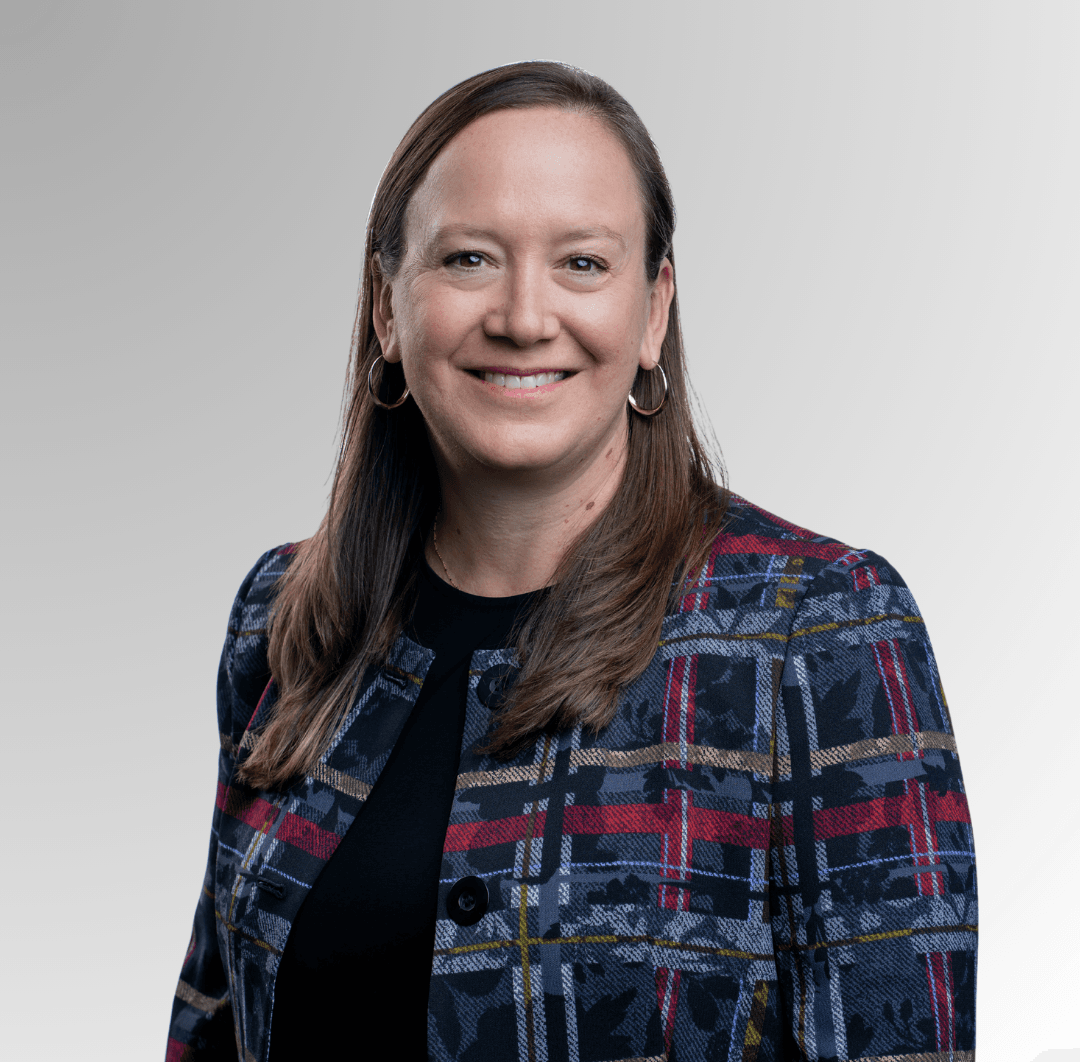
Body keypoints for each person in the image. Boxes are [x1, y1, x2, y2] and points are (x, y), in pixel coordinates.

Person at [166, 62, 976, 1062]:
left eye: (582, 263)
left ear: (653, 310)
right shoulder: (285, 618)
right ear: (386, 307)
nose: (522, 316)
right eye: (468, 258)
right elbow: (210, 1030)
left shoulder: (818, 628)